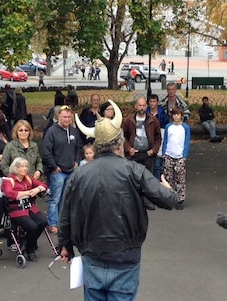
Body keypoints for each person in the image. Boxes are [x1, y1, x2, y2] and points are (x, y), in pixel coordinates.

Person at [57, 108, 177, 300]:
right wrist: (169, 189)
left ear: (96, 147)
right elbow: (168, 200)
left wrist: (65, 245)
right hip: (125, 255)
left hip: (92, 252)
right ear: (120, 144)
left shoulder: (79, 174)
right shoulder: (134, 170)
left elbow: (66, 212)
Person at [41, 105, 83, 233]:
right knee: (55, 198)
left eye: (69, 117)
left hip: (71, 170)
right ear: (58, 116)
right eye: (64, 117)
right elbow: (46, 151)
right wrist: (54, 167)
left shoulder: (74, 131)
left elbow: (79, 148)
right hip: (58, 172)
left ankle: (63, 223)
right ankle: (53, 224)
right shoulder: (51, 131)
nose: (67, 119)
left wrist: (77, 161)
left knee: (66, 199)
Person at [118, 96, 162, 210]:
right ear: (135, 106)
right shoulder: (128, 120)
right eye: (139, 105)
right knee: (132, 179)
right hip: (133, 154)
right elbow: (122, 137)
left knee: (147, 179)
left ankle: (147, 201)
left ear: (146, 106)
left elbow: (158, 137)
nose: (141, 107)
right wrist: (128, 149)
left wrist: (154, 150)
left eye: (143, 105)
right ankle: (133, 202)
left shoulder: (153, 120)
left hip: (148, 153)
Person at [1, 158, 48, 261]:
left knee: (43, 222)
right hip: (16, 209)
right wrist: (27, 193)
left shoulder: (28, 178)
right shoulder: (8, 180)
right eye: (21, 166)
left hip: (30, 207)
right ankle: (30, 249)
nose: (25, 168)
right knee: (32, 226)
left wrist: (37, 189)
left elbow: (43, 185)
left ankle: (28, 242)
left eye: (26, 166)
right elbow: (10, 193)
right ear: (16, 168)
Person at [160, 108, 191, 210]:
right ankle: (169, 197)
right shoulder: (169, 127)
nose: (176, 116)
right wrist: (164, 152)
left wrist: (184, 155)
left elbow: (186, 141)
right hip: (169, 154)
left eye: (178, 114)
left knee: (180, 178)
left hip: (180, 156)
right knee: (169, 177)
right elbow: (165, 140)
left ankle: (180, 198)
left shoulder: (185, 127)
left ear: (181, 115)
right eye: (174, 114)